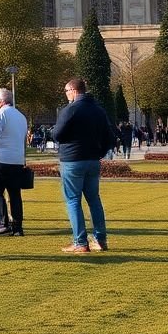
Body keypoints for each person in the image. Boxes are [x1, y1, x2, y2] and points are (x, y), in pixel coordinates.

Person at [51, 78, 117, 254]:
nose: (66, 95)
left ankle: (80, 242)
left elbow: (57, 135)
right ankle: (100, 239)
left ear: (73, 90)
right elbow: (110, 138)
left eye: (66, 91)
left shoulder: (71, 109)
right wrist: (99, 152)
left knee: (73, 200)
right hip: (92, 160)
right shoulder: (98, 110)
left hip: (72, 160)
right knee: (94, 199)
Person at [0, 86, 28, 237]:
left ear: (0, 101)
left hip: (0, 159)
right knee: (15, 194)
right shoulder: (21, 116)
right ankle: (18, 227)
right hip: (16, 160)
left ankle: (2, 223)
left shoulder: (0, 114)